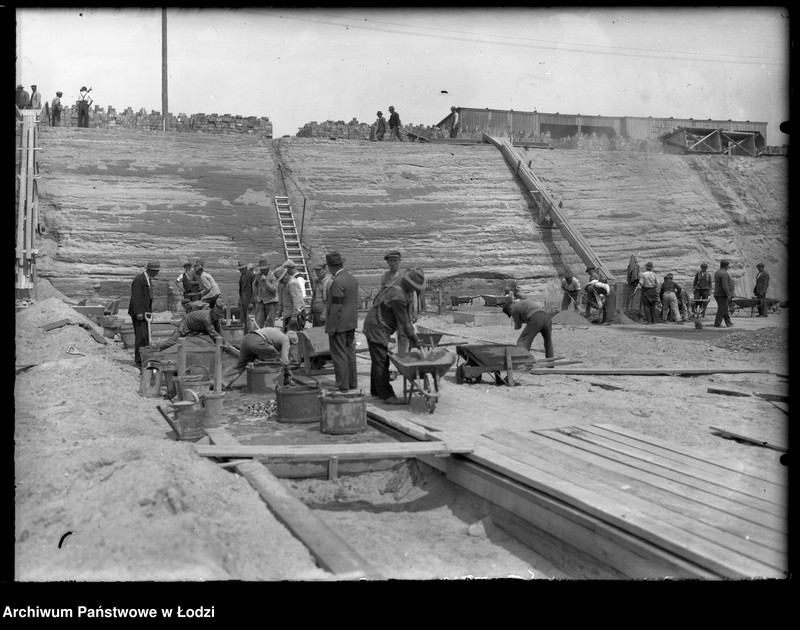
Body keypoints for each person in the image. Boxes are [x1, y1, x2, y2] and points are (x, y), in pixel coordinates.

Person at [363, 268, 425, 404]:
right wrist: (415, 340)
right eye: (414, 288)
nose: (414, 290)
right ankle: (387, 395)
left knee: (377, 359)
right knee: (382, 360)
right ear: (409, 283)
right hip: (376, 326)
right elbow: (404, 322)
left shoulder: (400, 279)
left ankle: (376, 391)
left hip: (374, 322)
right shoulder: (399, 296)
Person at [325, 251, 359, 391]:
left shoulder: (337, 282)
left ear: (330, 267)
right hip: (351, 322)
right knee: (350, 352)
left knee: (339, 355)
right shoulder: (352, 278)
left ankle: (342, 384)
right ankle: (352, 382)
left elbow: (337, 306)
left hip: (339, 324)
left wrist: (331, 326)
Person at [220, 328, 298, 390]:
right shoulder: (286, 340)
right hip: (256, 341)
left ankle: (221, 383)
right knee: (275, 358)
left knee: (240, 365)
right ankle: (271, 382)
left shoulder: (278, 333)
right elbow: (284, 360)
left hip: (246, 339)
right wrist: (287, 373)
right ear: (291, 342)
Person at [128, 261, 160, 367]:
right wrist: (138, 313)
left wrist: (150, 312)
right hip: (140, 313)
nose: (157, 274)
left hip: (145, 313)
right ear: (150, 270)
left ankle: (144, 359)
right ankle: (138, 360)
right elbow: (135, 297)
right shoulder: (139, 280)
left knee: (145, 336)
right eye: (156, 271)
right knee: (141, 337)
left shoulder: (148, 279)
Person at [157, 303, 227, 351]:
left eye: (220, 317)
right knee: (172, 341)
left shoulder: (214, 317)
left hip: (193, 324)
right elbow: (213, 333)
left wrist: (225, 341)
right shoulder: (207, 318)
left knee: (217, 335)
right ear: (214, 312)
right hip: (186, 324)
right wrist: (223, 342)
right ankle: (156, 349)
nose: (219, 318)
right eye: (218, 316)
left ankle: (222, 347)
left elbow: (219, 330)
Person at [277, 261, 307, 334]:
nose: (281, 281)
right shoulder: (285, 284)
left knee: (293, 336)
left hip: (294, 315)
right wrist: (280, 310)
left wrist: (294, 316)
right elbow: (282, 298)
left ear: (286, 275)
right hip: (287, 313)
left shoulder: (292, 283)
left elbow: (297, 301)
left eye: (281, 279)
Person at [252, 258, 278, 329]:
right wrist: (255, 295)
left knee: (269, 323)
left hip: (271, 301)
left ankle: (268, 338)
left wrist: (266, 282)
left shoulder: (272, 275)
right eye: (261, 269)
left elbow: (274, 289)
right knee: (258, 322)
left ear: (268, 268)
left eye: (264, 269)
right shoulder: (258, 275)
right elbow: (255, 285)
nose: (262, 271)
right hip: (261, 301)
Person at [713, 259, 734, 328]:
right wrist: (728, 295)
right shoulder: (724, 273)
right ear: (726, 266)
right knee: (722, 309)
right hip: (722, 295)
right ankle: (717, 324)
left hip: (717, 293)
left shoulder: (717, 272)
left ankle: (729, 323)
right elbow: (725, 285)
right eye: (728, 266)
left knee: (724, 309)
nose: (728, 267)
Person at [310, 263, 333, 327]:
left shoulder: (329, 282)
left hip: (324, 312)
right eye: (316, 271)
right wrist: (310, 312)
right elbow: (313, 297)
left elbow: (330, 300)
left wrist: (324, 314)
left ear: (325, 270)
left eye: (319, 270)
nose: (317, 272)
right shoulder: (317, 282)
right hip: (316, 312)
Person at [237, 260, 256, 331]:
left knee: (250, 320)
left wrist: (252, 301)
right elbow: (241, 290)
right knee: (243, 320)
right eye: (240, 269)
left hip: (249, 300)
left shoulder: (252, 276)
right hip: (243, 301)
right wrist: (240, 300)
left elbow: (255, 290)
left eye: (242, 269)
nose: (241, 270)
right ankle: (244, 335)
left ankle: (251, 335)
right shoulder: (241, 277)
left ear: (245, 268)